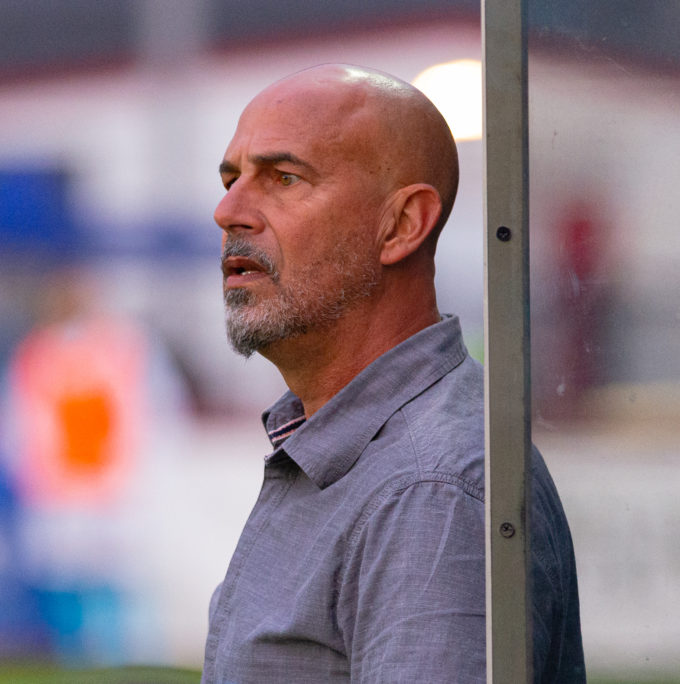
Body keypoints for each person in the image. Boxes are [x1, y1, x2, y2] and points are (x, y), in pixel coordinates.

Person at [201, 64, 585, 683]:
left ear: (403, 224)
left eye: (283, 177)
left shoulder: (430, 489)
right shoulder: (347, 446)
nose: (229, 211)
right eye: (231, 178)